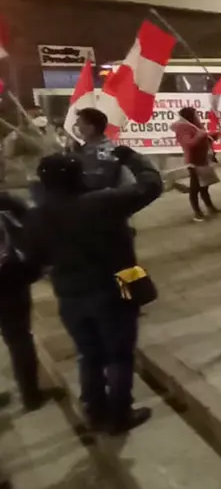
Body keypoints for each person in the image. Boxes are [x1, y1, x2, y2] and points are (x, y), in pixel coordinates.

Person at [30, 149, 163, 434]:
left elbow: (34, 258)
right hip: (114, 289)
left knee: (88, 354)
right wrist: (132, 157)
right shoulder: (103, 202)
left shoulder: (37, 216)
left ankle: (94, 409)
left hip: (69, 296)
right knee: (119, 355)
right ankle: (118, 415)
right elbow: (150, 185)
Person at [0, 193, 47, 411]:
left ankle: (31, 393)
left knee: (18, 340)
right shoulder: (7, 202)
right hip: (9, 284)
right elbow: (34, 228)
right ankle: (31, 395)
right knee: (19, 340)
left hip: (10, 281)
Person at [172, 108, 220, 222]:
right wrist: (199, 136)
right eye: (195, 114)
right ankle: (197, 212)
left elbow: (204, 139)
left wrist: (212, 136)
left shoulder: (195, 126)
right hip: (194, 162)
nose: (197, 116)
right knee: (195, 188)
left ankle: (210, 207)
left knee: (204, 186)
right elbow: (188, 144)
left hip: (203, 160)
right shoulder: (183, 128)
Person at [72, 108, 132, 191]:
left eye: (79, 124)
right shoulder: (83, 149)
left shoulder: (107, 150)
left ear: (90, 129)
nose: (76, 127)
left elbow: (99, 179)